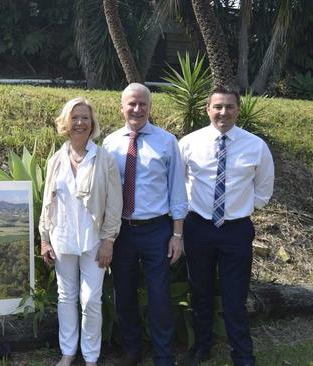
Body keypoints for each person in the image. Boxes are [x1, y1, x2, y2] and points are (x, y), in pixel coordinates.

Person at [178, 86, 274, 366]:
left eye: (229, 107)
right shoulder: (189, 143)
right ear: (207, 109)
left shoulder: (255, 145)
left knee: (235, 297)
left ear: (238, 110)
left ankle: (242, 355)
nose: (223, 112)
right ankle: (201, 347)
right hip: (198, 228)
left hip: (236, 230)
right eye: (217, 106)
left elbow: (263, 190)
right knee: (201, 292)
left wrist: (239, 209)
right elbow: (178, 184)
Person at [102, 83, 187, 366]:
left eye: (142, 104)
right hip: (122, 231)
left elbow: (177, 190)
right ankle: (132, 351)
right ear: (121, 107)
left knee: (160, 296)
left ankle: (164, 355)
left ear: (150, 108)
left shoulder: (167, 142)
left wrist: (177, 234)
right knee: (123, 294)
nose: (137, 109)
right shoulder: (110, 143)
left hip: (157, 231)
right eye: (131, 104)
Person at [39, 97, 122, 366]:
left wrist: (109, 240)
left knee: (90, 300)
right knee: (66, 297)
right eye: (74, 118)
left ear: (93, 123)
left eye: (85, 117)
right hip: (62, 239)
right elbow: (47, 203)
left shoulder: (104, 159)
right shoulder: (56, 160)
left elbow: (114, 204)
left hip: (94, 242)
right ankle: (68, 352)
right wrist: (44, 239)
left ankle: (91, 356)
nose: (80, 123)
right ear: (66, 122)